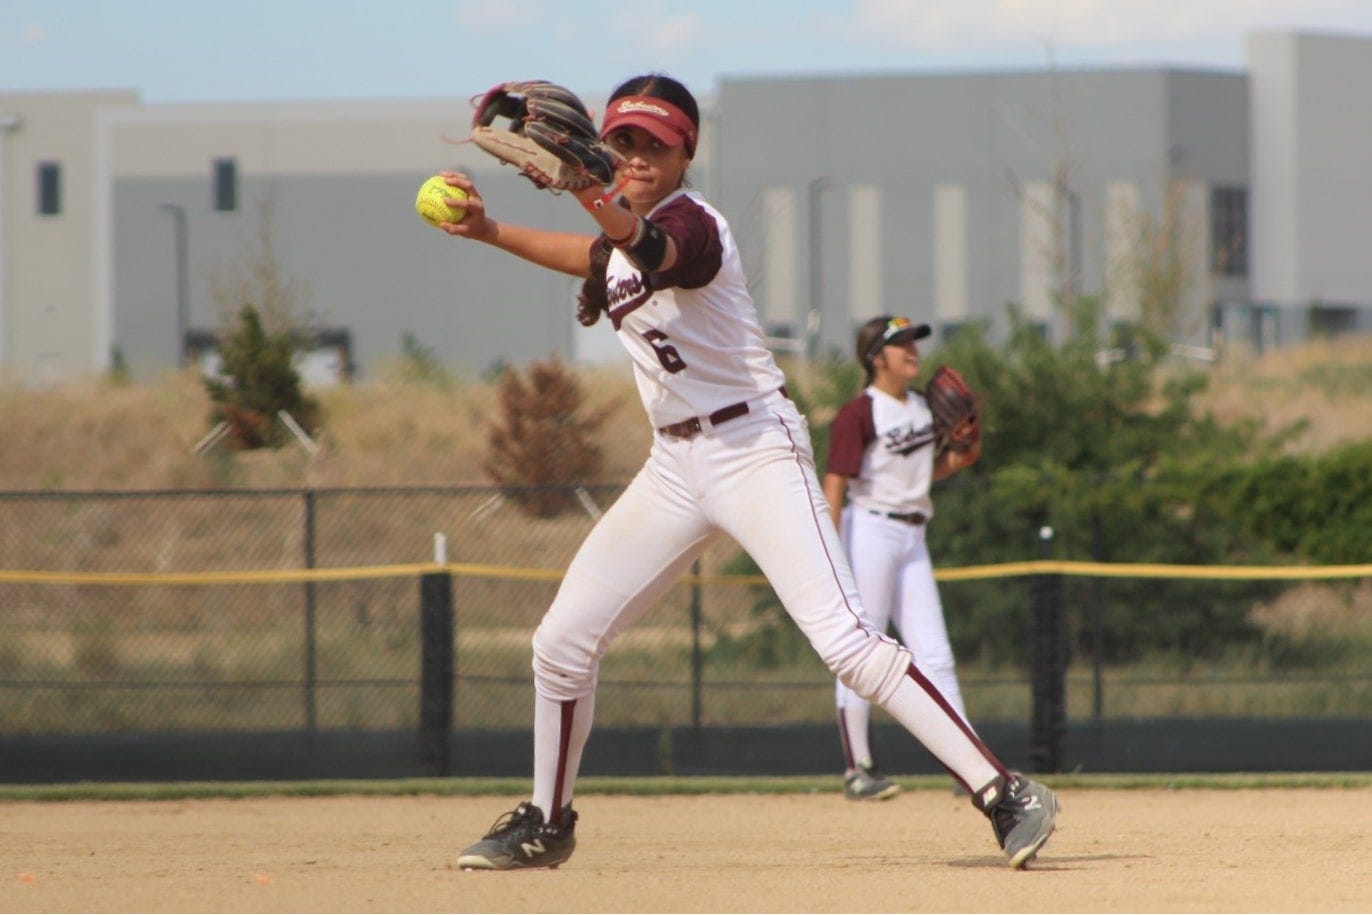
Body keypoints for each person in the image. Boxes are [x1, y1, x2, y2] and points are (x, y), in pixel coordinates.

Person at [435, 73, 1057, 871]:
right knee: (560, 641)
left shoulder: (694, 225)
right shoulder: (614, 230)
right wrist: (489, 230)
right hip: (674, 464)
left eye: (653, 143)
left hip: (755, 448)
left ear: (686, 150)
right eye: (621, 141)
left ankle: (1005, 791)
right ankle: (546, 821)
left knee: (849, 645)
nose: (635, 155)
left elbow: (644, 247)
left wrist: (593, 188)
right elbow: (591, 255)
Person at [822, 315, 980, 801]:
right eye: (900, 343)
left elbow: (933, 471)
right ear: (875, 358)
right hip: (868, 530)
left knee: (935, 653)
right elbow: (835, 486)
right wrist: (827, 554)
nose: (913, 349)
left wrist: (967, 449)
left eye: (914, 341)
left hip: (913, 535)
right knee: (863, 648)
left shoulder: (920, 408)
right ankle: (858, 768)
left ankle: (968, 766)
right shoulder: (859, 413)